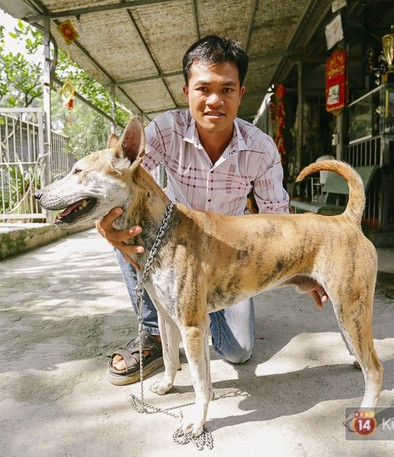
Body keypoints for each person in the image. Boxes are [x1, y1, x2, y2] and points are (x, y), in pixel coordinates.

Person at [97, 35, 327, 386]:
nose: (215, 100)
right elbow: (122, 179)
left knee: (237, 352)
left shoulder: (261, 149)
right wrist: (106, 228)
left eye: (227, 89)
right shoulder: (164, 131)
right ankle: (154, 334)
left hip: (227, 255)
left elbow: (280, 220)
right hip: (173, 245)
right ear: (186, 91)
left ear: (241, 93)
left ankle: (198, 311)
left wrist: (306, 263)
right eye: (203, 88)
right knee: (131, 232)